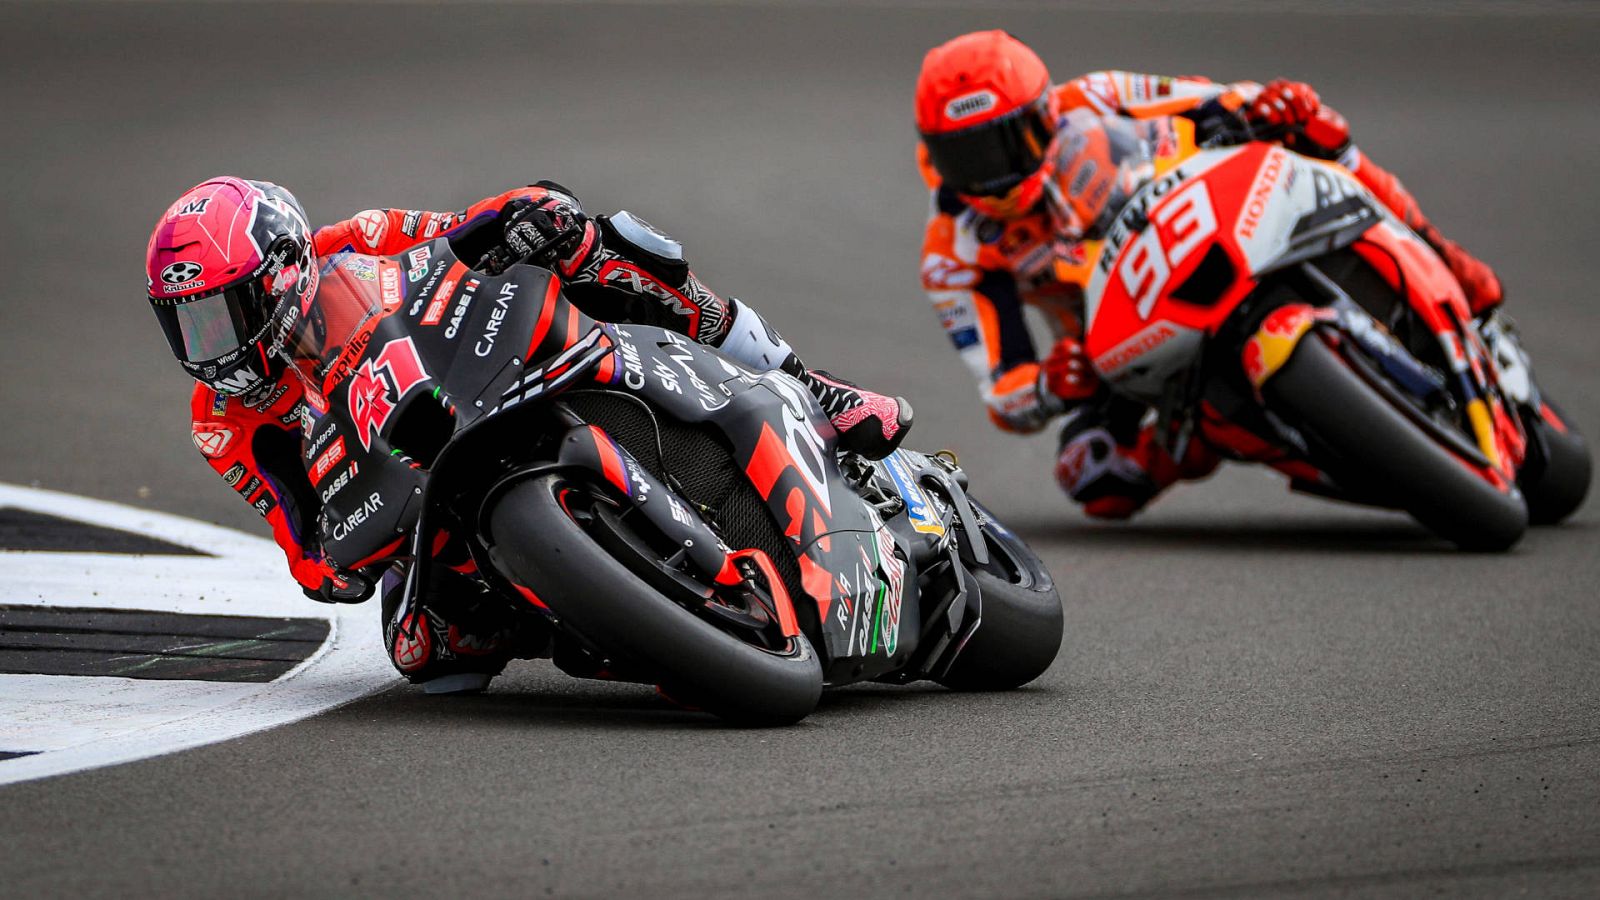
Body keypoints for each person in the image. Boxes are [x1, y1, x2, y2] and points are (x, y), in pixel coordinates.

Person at [146, 176, 911, 692]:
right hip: (417, 507)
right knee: (430, 658)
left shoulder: (357, 242)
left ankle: (809, 383)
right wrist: (336, 561)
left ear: (282, 275)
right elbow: (303, 543)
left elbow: (460, 236)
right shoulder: (221, 421)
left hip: (485, 368)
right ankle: (618, 612)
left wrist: (526, 216)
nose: (210, 346)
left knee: (607, 244)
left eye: (221, 315)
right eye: (187, 325)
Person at [913, 29, 1504, 518]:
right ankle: (1215, 432)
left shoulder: (1097, 96)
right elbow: (1002, 388)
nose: (988, 177)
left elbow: (1219, 99)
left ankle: (1439, 251)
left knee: (1314, 127)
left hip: (1211, 233)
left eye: (1001, 147)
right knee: (1091, 476)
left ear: (1045, 115)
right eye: (962, 157)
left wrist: (1270, 107)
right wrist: (1049, 386)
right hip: (1121, 346)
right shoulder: (952, 254)